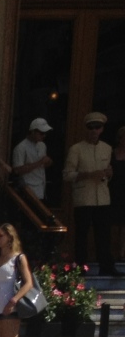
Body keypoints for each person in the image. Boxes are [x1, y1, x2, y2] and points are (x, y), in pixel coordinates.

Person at [63, 112, 118, 276]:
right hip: (84, 198)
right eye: (91, 127)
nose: (94, 130)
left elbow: (109, 172)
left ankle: (106, 266)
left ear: (102, 129)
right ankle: (80, 267)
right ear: (86, 129)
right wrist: (88, 175)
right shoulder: (76, 149)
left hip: (102, 198)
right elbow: (67, 174)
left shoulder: (107, 149)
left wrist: (109, 173)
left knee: (103, 235)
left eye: (97, 127)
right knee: (81, 234)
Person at [12, 118, 53, 201]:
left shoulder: (42, 146)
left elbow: (45, 164)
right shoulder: (21, 148)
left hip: (41, 188)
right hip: (27, 189)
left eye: (45, 133)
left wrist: (48, 162)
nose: (43, 136)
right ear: (33, 131)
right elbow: (17, 170)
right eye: (41, 133)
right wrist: (40, 162)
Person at [112, 126, 125, 265]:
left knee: (124, 225)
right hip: (114, 191)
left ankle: (121, 254)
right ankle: (111, 252)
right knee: (113, 224)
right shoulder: (112, 153)